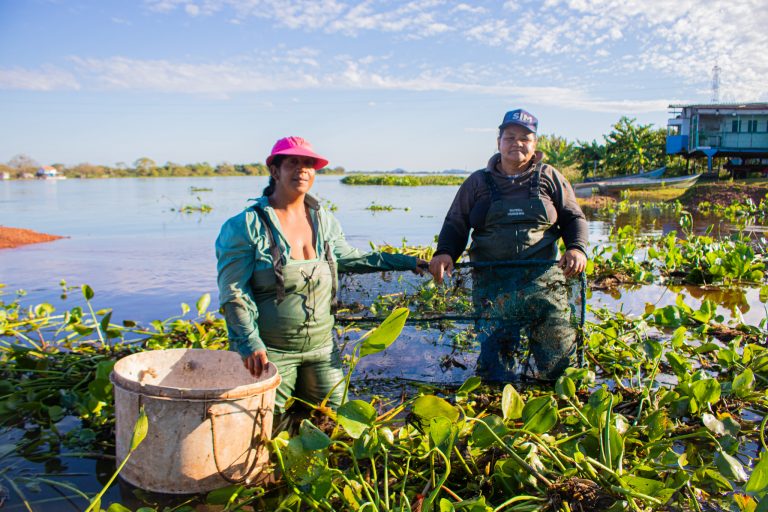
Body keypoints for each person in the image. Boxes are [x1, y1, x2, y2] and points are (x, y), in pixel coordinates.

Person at [216, 136, 422, 410]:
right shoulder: (245, 226)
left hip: (322, 348)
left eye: (308, 164)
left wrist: (406, 262)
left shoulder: (323, 219)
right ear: (275, 171)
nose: (302, 169)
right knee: (262, 427)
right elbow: (234, 292)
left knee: (335, 421)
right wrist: (249, 342)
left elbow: (351, 257)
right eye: (293, 163)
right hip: (271, 352)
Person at [428, 109, 588, 381]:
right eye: (510, 136)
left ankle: (557, 408)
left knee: (557, 363)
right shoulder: (476, 182)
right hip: (493, 286)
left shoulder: (550, 176)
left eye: (525, 138)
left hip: (544, 285)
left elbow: (574, 217)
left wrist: (576, 248)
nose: (517, 143)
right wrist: (444, 253)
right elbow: (456, 223)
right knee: (496, 367)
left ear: (535, 144)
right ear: (499, 141)